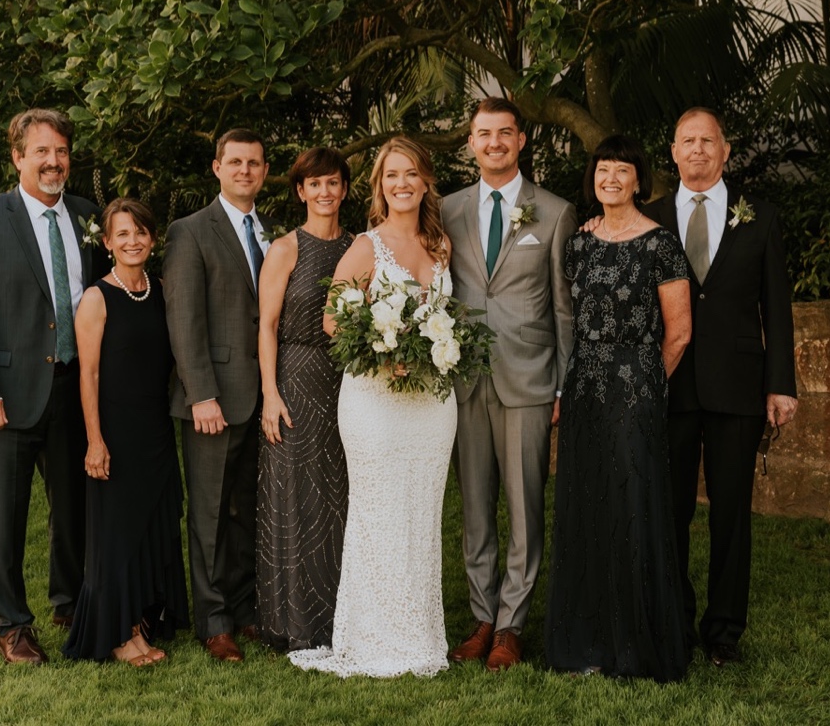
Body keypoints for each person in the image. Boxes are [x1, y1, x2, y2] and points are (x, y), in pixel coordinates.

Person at [289, 137, 458, 678]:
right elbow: (334, 323)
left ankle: (420, 635)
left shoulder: (440, 245)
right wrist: (385, 352)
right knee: (379, 513)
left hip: (432, 403)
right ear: (380, 186)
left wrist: (435, 349)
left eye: (410, 173)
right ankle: (374, 637)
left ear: (426, 180)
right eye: (391, 175)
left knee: (421, 514)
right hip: (375, 403)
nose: (402, 183)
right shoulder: (365, 247)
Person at [0, 108, 106, 664]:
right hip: (4, 398)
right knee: (2, 516)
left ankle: (68, 601)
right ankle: (12, 624)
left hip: (69, 390)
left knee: (73, 509)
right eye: (40, 151)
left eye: (61, 151)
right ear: (17, 157)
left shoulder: (88, 217)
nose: (53, 161)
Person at [643, 107, 797, 667]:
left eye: (709, 141)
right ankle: (675, 622)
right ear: (674, 151)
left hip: (738, 387)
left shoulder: (761, 218)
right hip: (671, 387)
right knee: (672, 508)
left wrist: (781, 384)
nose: (699, 150)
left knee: (732, 513)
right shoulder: (650, 218)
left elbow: (776, 309)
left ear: (726, 151)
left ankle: (725, 633)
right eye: (688, 141)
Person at [545, 134, 693, 681]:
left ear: (639, 180)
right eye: (602, 169)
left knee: (634, 509)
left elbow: (678, 335)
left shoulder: (661, 244)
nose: (611, 178)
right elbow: (567, 320)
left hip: (636, 388)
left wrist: (643, 383)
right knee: (588, 508)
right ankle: (584, 644)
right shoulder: (580, 243)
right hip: (584, 386)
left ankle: (634, 648)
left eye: (622, 170)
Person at [443, 98, 574, 671]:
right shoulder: (444, 210)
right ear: (470, 143)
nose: (493, 142)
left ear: (522, 141)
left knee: (524, 507)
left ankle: (513, 625)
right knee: (474, 506)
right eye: (482, 134)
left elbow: (565, 308)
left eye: (504, 133)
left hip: (529, 378)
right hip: (465, 378)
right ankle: (482, 616)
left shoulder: (555, 211)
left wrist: (564, 386)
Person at [163, 129, 274, 663]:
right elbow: (184, 321)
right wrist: (200, 395)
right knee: (208, 512)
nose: (244, 171)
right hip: (212, 400)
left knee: (245, 510)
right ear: (216, 168)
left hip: (259, 397)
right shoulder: (190, 232)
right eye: (235, 162)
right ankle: (212, 620)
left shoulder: (269, 232)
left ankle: (244, 607)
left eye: (253, 163)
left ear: (265, 171)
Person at [63, 198, 189, 666]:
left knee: (150, 527)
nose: (132, 241)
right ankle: (119, 634)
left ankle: (140, 620)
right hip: (113, 431)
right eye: (122, 234)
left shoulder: (160, 290)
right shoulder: (97, 297)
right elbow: (88, 375)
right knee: (115, 535)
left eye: (140, 232)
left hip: (154, 429)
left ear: (152, 239)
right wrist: (95, 440)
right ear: (106, 242)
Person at [256, 147, 354, 651]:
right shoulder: (285, 248)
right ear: (300, 191)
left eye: (333, 183)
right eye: (314, 184)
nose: (324, 192)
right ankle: (294, 622)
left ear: (344, 189)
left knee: (343, 495)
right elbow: (267, 326)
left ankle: (347, 614)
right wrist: (270, 394)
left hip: (351, 382)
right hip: (295, 377)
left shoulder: (361, 246)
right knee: (296, 495)